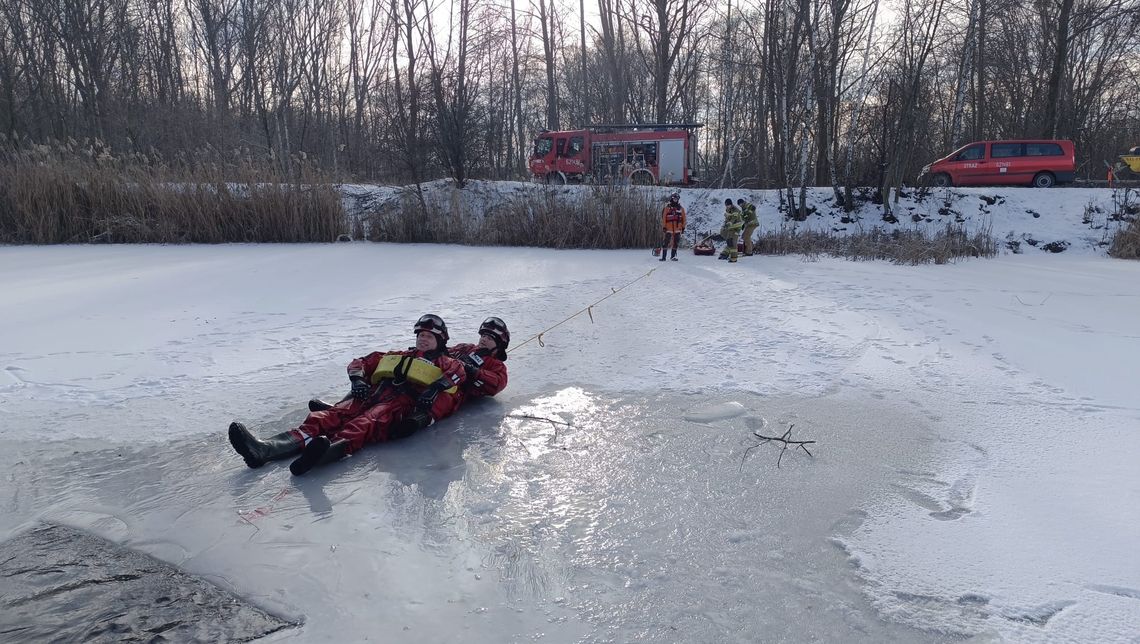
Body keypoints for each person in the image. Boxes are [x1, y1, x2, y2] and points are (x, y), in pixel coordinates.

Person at [227, 314, 466, 476]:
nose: (423, 339)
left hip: (398, 404)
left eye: (429, 336)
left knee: (366, 423)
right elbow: (361, 362)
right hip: (372, 394)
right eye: (420, 335)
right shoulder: (398, 354)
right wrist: (358, 380)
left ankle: (324, 453)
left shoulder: (446, 362)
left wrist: (434, 389)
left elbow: (458, 374)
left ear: (440, 340)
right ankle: (264, 449)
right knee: (326, 417)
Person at [393, 317, 511, 434]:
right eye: (483, 336)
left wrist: (473, 371)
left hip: (456, 388)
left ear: (499, 344)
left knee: (445, 399)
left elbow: (497, 382)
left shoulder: (496, 365)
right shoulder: (467, 347)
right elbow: (446, 351)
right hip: (437, 373)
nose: (484, 340)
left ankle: (418, 420)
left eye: (489, 338)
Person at [659, 192, 687, 262]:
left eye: (677, 199)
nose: (676, 200)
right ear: (672, 199)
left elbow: (684, 219)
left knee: (676, 242)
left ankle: (673, 256)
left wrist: (683, 227)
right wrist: (664, 227)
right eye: (674, 199)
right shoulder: (667, 208)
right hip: (668, 228)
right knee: (665, 243)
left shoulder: (681, 209)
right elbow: (664, 218)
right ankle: (663, 257)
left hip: (678, 228)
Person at [719, 199, 743, 263]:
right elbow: (727, 218)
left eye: (728, 205)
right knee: (728, 239)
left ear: (731, 204)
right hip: (731, 227)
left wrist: (729, 223)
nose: (727, 207)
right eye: (726, 205)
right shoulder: (727, 210)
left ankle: (734, 257)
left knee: (733, 241)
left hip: (736, 227)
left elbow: (733, 219)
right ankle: (725, 253)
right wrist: (724, 225)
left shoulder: (736, 210)